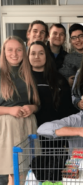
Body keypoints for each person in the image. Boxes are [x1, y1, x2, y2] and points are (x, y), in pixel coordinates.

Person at [0, 36, 40, 185]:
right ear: (4, 52)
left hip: (27, 125)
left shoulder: (29, 74)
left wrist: (32, 107)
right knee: (13, 174)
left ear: (24, 52)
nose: (14, 53)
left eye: (18, 50)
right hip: (7, 127)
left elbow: (37, 104)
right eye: (10, 50)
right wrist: (9, 110)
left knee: (27, 173)